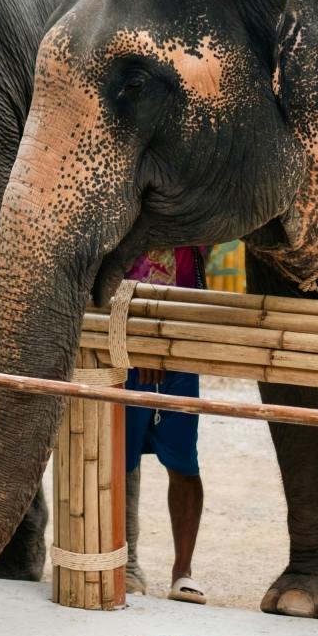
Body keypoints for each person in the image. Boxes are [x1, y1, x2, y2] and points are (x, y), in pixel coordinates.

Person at [122, 245, 207, 604]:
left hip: (180, 349)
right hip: (121, 345)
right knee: (120, 462)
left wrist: (165, 346)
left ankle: (182, 573)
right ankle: (125, 563)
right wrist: (141, 343)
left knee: (184, 464)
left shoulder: (195, 221)